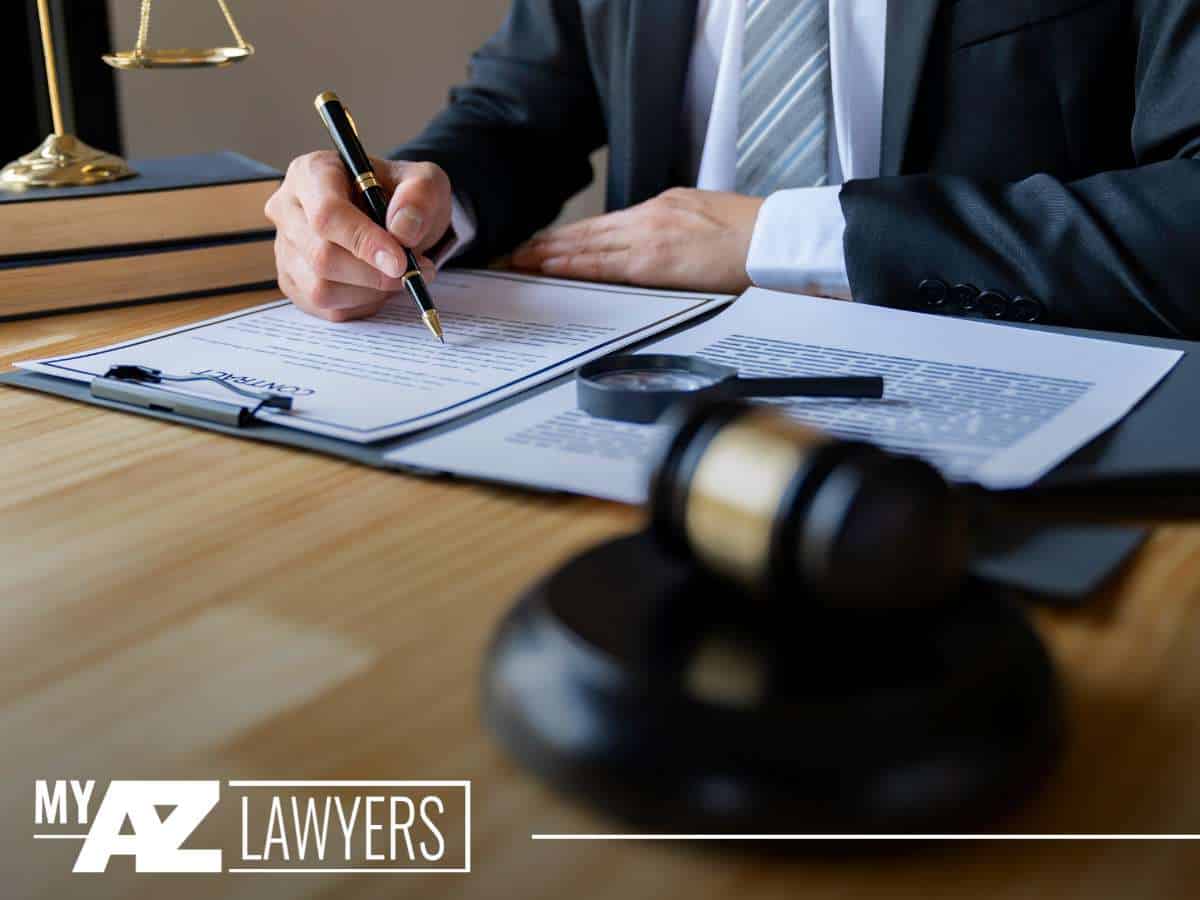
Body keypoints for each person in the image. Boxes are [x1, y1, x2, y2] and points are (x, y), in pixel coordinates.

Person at [266, 0, 1200, 337]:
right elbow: (516, 115)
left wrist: (782, 239)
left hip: (1005, 417)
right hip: (634, 400)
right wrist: (414, 204)